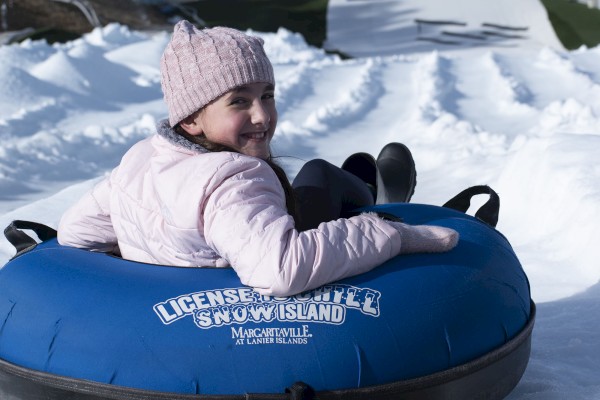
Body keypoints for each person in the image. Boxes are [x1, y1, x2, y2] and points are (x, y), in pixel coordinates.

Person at [58, 21, 458, 297]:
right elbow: (280, 269)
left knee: (313, 177)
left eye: (267, 95)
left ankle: (364, 193)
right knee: (318, 174)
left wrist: (149, 243)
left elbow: (74, 232)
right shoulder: (230, 182)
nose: (263, 116)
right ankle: (381, 206)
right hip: (252, 269)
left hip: (224, 249)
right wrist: (391, 234)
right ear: (192, 119)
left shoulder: (141, 160)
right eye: (239, 101)